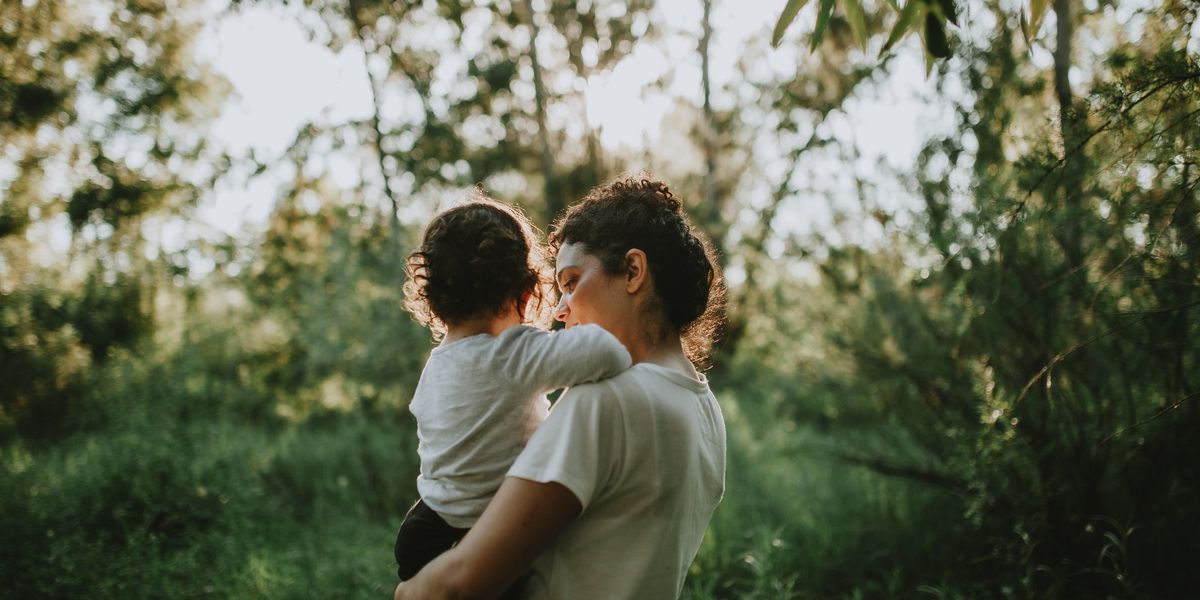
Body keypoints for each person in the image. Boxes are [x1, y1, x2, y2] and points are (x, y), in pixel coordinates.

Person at [394, 176, 728, 600]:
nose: (559, 308)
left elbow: (458, 584)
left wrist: (405, 594)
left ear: (632, 271)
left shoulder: (606, 401)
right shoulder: (703, 406)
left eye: (570, 282)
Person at [394, 194, 633, 588]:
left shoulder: (437, 364)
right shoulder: (513, 354)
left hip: (425, 528)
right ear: (526, 293)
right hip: (490, 529)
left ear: (433, 299)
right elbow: (608, 352)